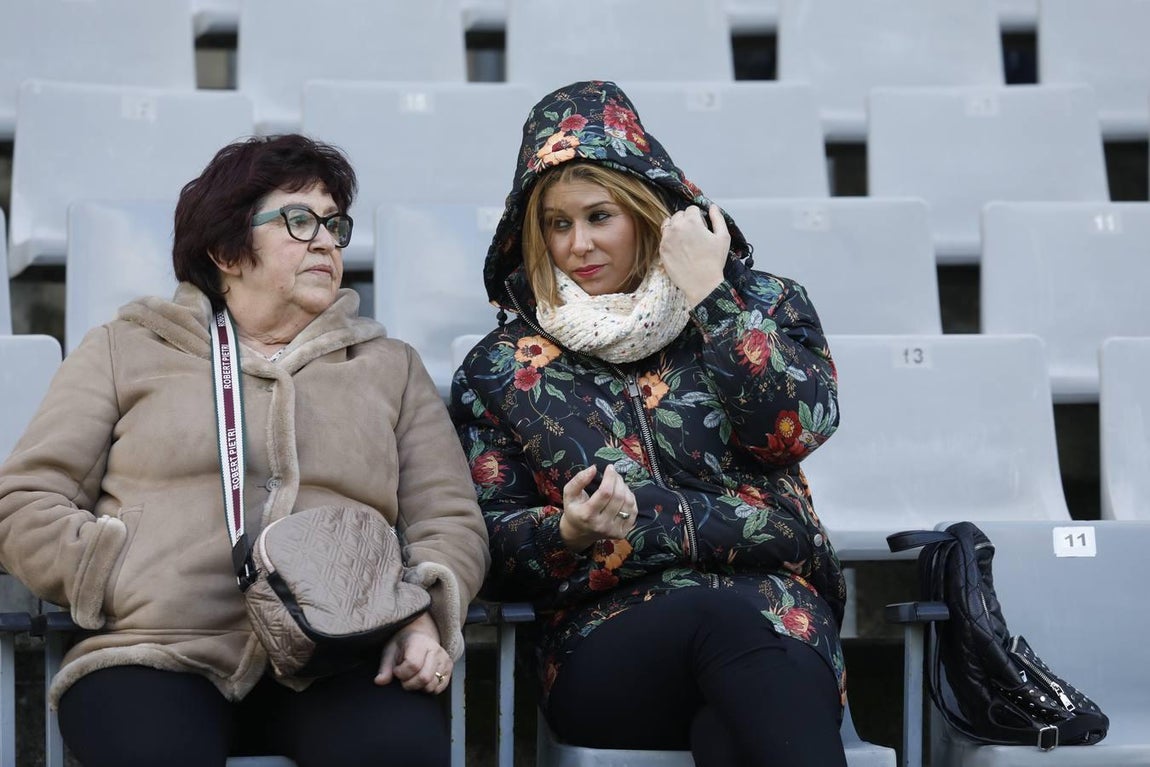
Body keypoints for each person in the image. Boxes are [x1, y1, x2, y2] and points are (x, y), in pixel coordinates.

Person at [0, 134, 489, 767]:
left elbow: (449, 521)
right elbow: (25, 502)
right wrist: (110, 570)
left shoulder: (388, 366)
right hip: (160, 649)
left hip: (341, 655)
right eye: (299, 219)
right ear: (227, 248)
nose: (325, 241)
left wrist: (422, 616)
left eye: (334, 224)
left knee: (395, 751)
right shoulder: (126, 349)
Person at [451, 80, 848, 766]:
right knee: (731, 637)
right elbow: (490, 542)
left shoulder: (762, 304)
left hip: (776, 608)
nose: (578, 244)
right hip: (606, 636)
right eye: (557, 223)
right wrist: (567, 529)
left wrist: (711, 296)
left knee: (732, 731)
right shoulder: (502, 367)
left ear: (648, 209)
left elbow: (795, 425)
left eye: (599, 216)